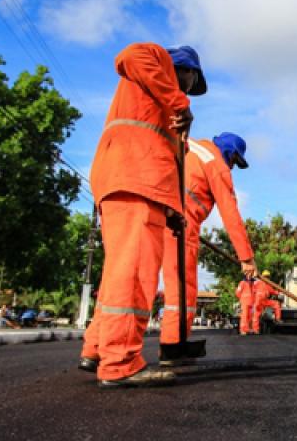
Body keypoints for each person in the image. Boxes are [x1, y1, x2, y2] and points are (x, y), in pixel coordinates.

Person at [78, 43, 205, 388]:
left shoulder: (161, 107)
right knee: (135, 273)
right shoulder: (158, 63)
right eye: (192, 79)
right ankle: (120, 362)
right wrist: (179, 101)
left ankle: (97, 349)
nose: (191, 87)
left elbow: (170, 162)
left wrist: (176, 210)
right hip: (135, 178)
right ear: (185, 69)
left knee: (118, 272)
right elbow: (129, 55)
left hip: (127, 180)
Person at [159, 132, 257, 361]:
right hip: (181, 225)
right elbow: (230, 213)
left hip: (154, 210)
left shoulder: (189, 144)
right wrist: (246, 257)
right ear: (229, 153)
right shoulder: (217, 164)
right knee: (182, 289)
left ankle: (98, 349)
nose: (232, 168)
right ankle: (172, 347)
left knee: (132, 280)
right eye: (234, 162)